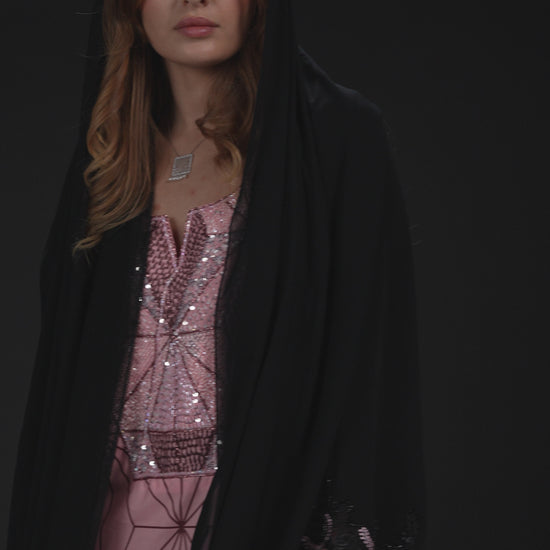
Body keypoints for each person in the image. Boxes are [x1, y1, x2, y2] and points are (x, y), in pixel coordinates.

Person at [7, 0, 427, 549]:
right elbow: (63, 395)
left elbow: (369, 365)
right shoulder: (109, 157)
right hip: (110, 521)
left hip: (268, 512)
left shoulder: (332, 137)